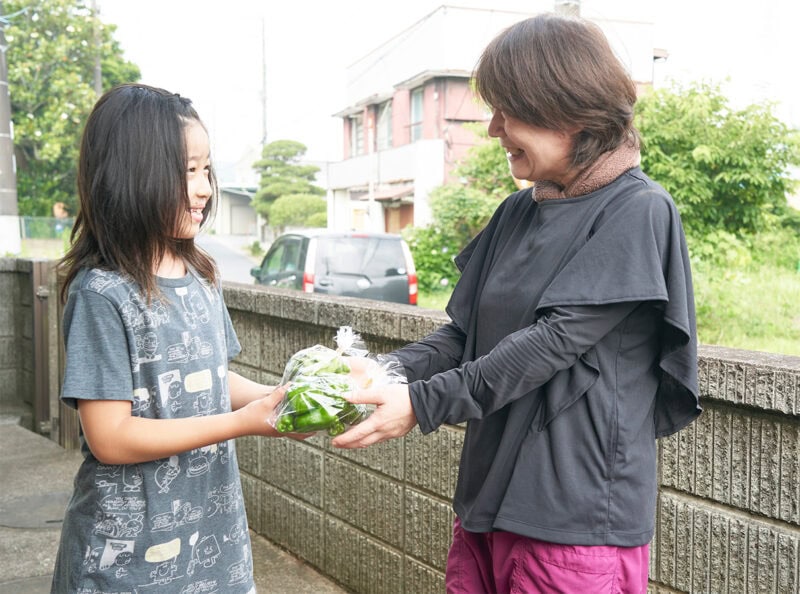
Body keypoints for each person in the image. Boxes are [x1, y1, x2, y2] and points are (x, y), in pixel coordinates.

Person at [333, 13, 701, 593]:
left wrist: (421, 404)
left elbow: (553, 342)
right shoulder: (518, 212)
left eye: (509, 110)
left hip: (571, 520)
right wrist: (384, 373)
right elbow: (461, 335)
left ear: (569, 108)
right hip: (487, 499)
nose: (494, 129)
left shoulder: (638, 210)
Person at [51, 84, 291, 593]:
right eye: (186, 170)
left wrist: (283, 398)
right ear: (131, 174)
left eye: (207, 170)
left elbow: (209, 378)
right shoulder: (103, 294)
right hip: (128, 563)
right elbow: (110, 436)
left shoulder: (201, 274)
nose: (204, 188)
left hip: (214, 546)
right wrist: (241, 424)